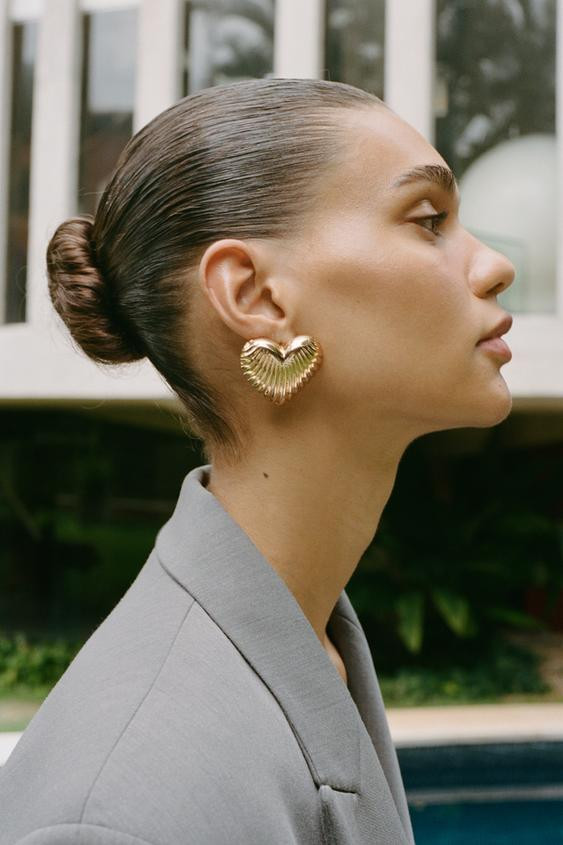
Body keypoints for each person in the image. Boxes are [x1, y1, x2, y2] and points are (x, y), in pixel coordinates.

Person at [0, 77, 515, 845]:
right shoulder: (115, 818)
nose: (495, 265)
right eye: (427, 219)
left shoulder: (312, 643)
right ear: (256, 297)